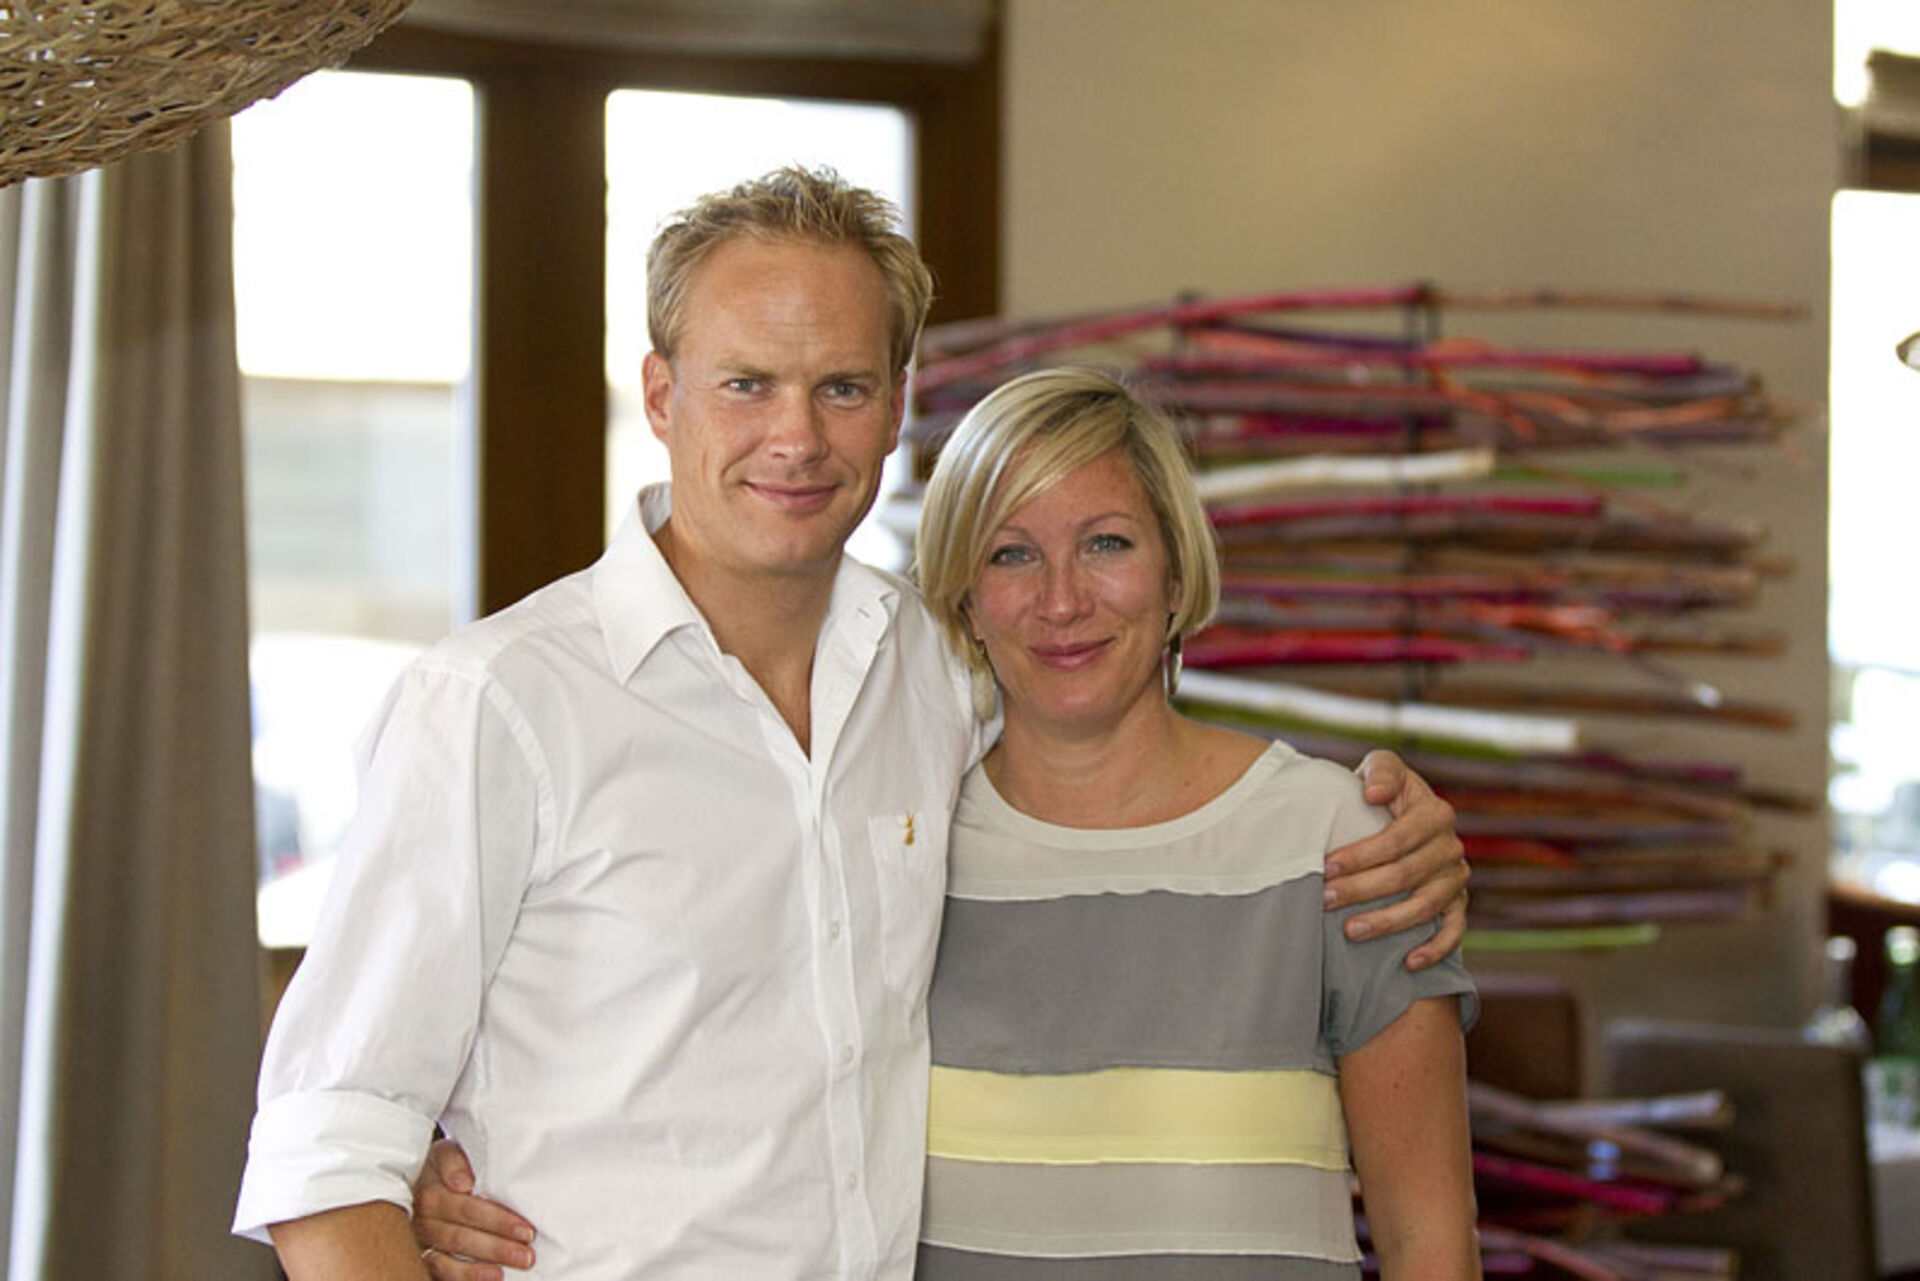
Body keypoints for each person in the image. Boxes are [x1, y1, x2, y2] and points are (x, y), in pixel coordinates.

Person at [236, 168, 1469, 1281]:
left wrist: (1406, 828)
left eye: (841, 387)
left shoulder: (940, 672)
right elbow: (327, 1151)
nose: (796, 438)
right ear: (661, 394)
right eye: (747, 384)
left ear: (894, 409)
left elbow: (1114, 766)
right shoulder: (497, 706)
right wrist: (421, 1189)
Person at [910, 367, 1479, 1277]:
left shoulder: (1339, 841)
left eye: (1106, 542)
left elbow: (1430, 1245)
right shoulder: (904, 849)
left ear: (1176, 573)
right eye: (1010, 554)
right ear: (964, 597)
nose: (1062, 600)